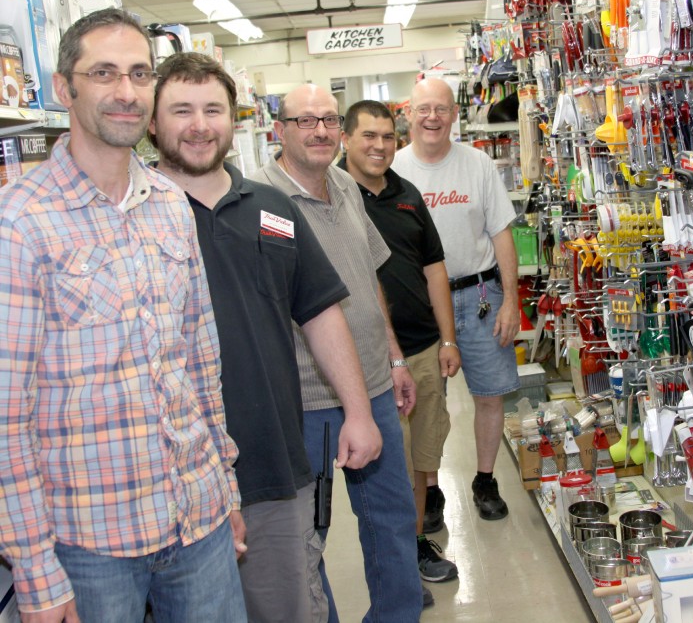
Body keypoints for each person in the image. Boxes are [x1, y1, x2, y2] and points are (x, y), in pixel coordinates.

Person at [0, 9, 246, 622]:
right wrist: (34, 569)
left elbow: (200, 363)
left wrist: (226, 488)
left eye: (140, 73)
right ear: (65, 88)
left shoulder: (169, 203)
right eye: (104, 72)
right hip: (87, 545)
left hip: (199, 520)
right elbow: (6, 418)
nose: (126, 92)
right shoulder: (20, 222)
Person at [148, 52, 383, 622]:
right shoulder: (135, 213)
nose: (200, 125)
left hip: (274, 463)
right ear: (152, 124)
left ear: (237, 119)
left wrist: (358, 410)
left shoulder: (272, 209)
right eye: (181, 110)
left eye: (213, 109)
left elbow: (321, 312)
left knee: (288, 608)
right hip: (167, 478)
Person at [249, 84, 422, 622]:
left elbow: (370, 279)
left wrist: (394, 358)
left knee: (393, 519)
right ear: (279, 130)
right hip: (307, 400)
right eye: (306, 121)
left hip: (372, 386)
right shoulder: (258, 203)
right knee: (308, 537)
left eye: (328, 119)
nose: (320, 131)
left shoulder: (345, 185)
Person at [339, 100, 460, 585]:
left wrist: (447, 339)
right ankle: (394, 566)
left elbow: (434, 267)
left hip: (424, 348)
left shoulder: (407, 193)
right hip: (369, 360)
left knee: (420, 462)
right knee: (388, 466)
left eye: (388, 136)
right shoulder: (334, 196)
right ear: (346, 139)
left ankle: (412, 550)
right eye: (368, 136)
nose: (379, 146)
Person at [392, 78, 521, 524]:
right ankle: (430, 491)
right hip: (422, 308)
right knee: (426, 402)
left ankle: (485, 480)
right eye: (424, 108)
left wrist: (512, 300)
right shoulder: (393, 169)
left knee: (490, 395)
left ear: (453, 113)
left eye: (441, 109)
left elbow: (501, 232)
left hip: (482, 296)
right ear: (409, 114)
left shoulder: (478, 164)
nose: (432, 117)